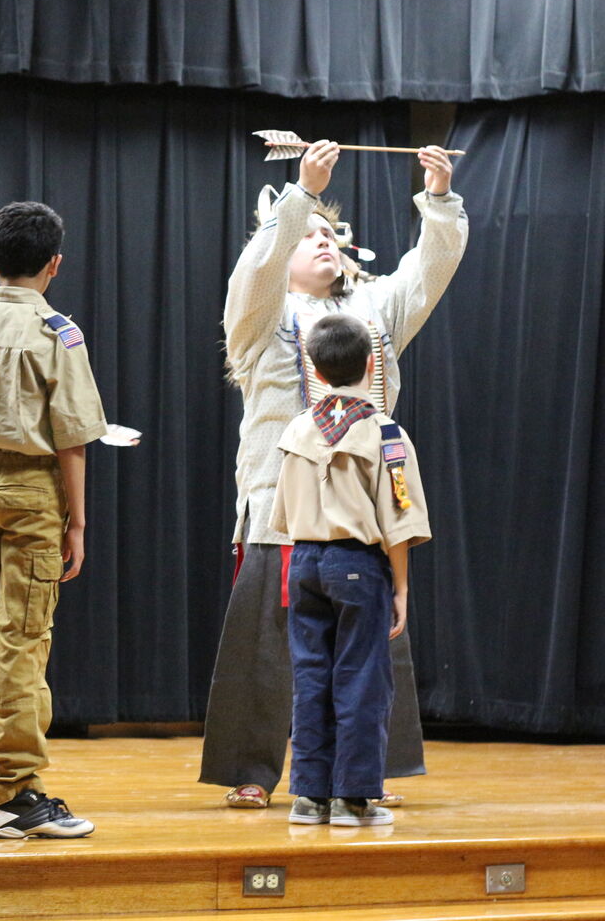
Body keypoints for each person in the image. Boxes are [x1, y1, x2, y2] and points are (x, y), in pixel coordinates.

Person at [200, 140, 467, 809]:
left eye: (330, 234)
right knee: (267, 646)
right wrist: (301, 195)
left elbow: (428, 274)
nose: (323, 242)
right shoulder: (260, 320)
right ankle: (253, 770)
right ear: (282, 244)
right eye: (307, 236)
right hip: (279, 508)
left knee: (370, 645)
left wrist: (437, 201)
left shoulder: (371, 316)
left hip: (358, 514)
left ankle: (372, 767)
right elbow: (253, 273)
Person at [0, 201, 108, 839]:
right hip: (33, 488)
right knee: (22, 643)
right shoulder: (59, 332)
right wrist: (78, 523)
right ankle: (19, 791)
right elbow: (73, 440)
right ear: (54, 266)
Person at [270, 314, 431, 827]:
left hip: (305, 564)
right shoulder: (385, 433)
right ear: (370, 364)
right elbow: (399, 521)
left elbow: (283, 517)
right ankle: (353, 798)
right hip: (358, 565)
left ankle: (309, 796)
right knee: (362, 678)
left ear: (314, 370)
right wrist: (400, 588)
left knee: (311, 676)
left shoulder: (297, 428)